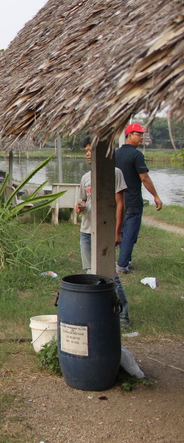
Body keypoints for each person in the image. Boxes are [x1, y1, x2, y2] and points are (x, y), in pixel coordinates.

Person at [75, 140, 131, 327]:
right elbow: (82, 201)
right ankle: (98, 312)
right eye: (86, 151)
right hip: (86, 230)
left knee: (109, 274)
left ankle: (123, 315)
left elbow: (120, 203)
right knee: (89, 272)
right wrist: (80, 207)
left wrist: (117, 231)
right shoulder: (85, 178)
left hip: (104, 230)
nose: (88, 154)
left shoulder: (115, 173)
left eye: (91, 150)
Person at [114, 123, 163, 273]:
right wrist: (155, 196)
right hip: (132, 200)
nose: (141, 137)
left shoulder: (115, 154)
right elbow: (144, 178)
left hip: (117, 200)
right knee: (129, 232)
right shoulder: (136, 155)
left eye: (142, 134)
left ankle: (125, 261)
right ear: (128, 135)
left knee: (121, 230)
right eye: (138, 134)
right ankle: (122, 265)